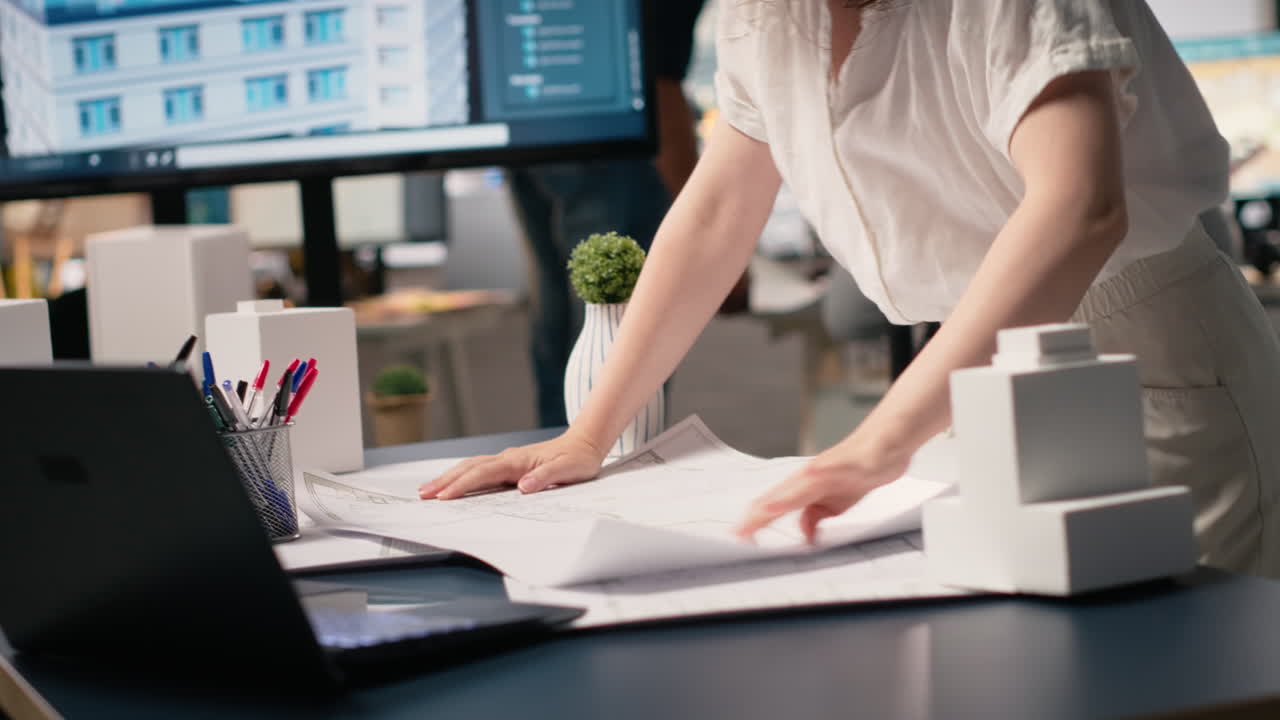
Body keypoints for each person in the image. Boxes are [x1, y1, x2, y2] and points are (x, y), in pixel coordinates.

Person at [424, 0, 1280, 577]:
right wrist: (590, 433)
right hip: (984, 375)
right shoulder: (766, 15)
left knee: (1174, 671)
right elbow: (719, 209)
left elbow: (1080, 205)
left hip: (1150, 367)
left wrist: (879, 444)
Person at [509, 0, 708, 429]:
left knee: (560, 311)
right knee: (613, 317)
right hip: (614, 133)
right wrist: (709, 238)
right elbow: (660, 87)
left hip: (525, 120)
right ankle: (606, 455)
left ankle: (556, 452)